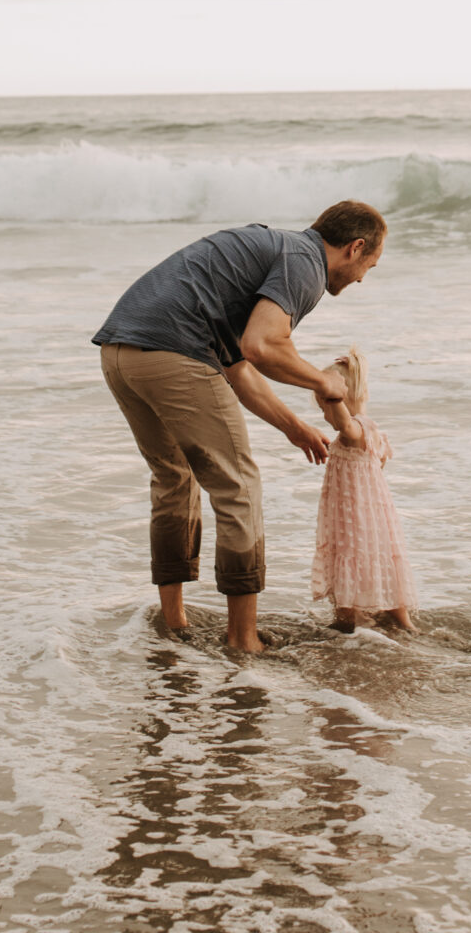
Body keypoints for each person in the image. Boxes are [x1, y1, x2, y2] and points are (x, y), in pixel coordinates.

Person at [93, 199, 387, 654]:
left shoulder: (272, 251)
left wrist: (293, 427)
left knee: (174, 479)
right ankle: (243, 638)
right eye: (370, 264)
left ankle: (174, 623)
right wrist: (323, 380)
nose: (364, 277)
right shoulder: (305, 263)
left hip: (121, 351)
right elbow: (263, 344)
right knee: (239, 487)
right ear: (355, 247)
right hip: (173, 351)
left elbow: (238, 365)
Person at [312, 343, 417, 633]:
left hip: (352, 515)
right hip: (373, 514)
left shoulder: (354, 428)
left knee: (351, 554)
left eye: (324, 408)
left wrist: (331, 393)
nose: (325, 416)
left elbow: (344, 425)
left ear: (339, 401)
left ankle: (346, 621)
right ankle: (402, 620)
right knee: (379, 555)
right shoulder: (372, 430)